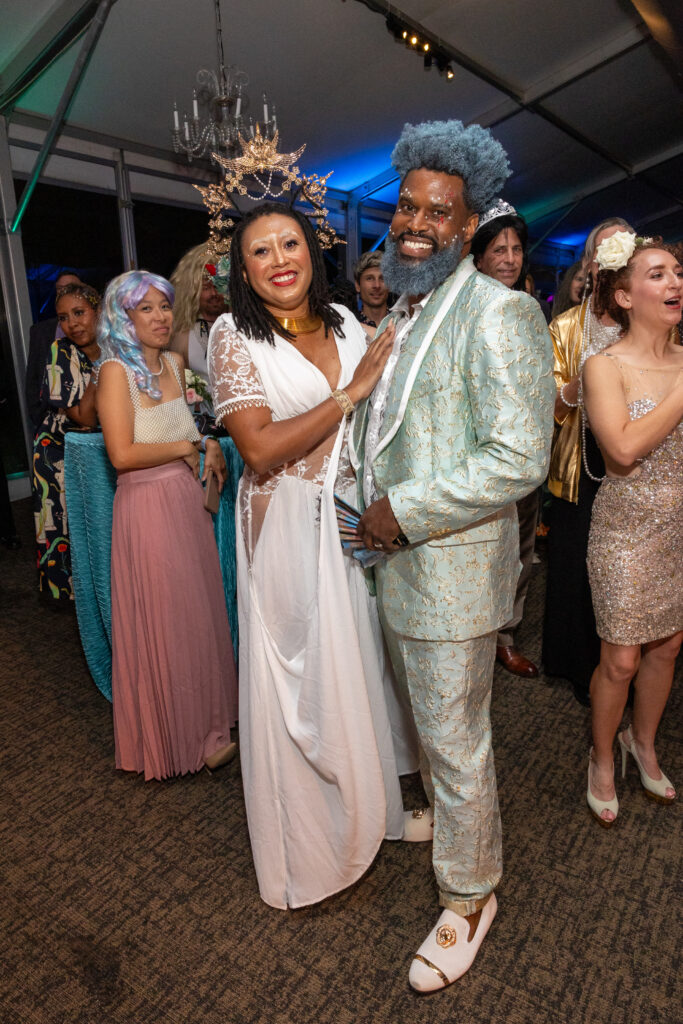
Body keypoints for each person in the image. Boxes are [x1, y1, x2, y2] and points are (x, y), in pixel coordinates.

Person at [352, 120, 554, 991]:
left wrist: (403, 509)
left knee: (457, 739)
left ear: (468, 227)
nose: (416, 222)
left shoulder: (499, 311)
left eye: (439, 211)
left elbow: (518, 456)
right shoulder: (408, 306)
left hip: (448, 566)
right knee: (440, 732)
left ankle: (470, 897)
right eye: (406, 205)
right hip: (401, 565)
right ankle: (450, 819)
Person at [207, 201, 415, 911]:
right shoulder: (232, 336)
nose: (279, 259)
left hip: (353, 519)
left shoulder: (345, 323)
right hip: (289, 520)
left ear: (310, 250)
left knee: (357, 658)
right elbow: (259, 447)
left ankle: (370, 807)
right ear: (242, 269)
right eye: (260, 251)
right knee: (303, 678)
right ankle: (314, 841)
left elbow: (378, 420)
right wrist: (348, 393)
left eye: (289, 242)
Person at [96, 271, 238, 781]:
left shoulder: (178, 366)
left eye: (163, 307)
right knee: (165, 617)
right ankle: (173, 737)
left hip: (186, 502)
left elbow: (192, 429)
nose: (159, 318)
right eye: (145, 309)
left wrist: (210, 442)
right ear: (123, 317)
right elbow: (122, 453)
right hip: (146, 507)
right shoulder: (114, 372)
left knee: (198, 614)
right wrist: (189, 447)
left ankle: (208, 728)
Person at [582, 234, 682, 825]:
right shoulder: (604, 365)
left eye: (676, 272)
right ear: (623, 294)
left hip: (677, 527)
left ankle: (641, 743)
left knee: (668, 646)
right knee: (620, 658)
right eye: (656, 274)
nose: (673, 282)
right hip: (624, 532)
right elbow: (620, 450)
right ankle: (600, 757)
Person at [542, 217, 634, 705]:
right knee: (577, 566)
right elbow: (546, 407)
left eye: (625, 246)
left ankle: (626, 664)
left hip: (636, 461)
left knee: (627, 568)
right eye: (606, 249)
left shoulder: (645, 321)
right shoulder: (563, 327)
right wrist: (580, 386)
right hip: (581, 461)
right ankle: (581, 668)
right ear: (590, 263)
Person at [471, 201, 542, 678]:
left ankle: (506, 635)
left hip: (523, 454)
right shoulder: (466, 309)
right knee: (481, 552)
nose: (510, 258)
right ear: (478, 257)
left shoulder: (529, 308)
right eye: (499, 249)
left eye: (516, 249)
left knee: (520, 550)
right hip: (478, 456)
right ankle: (475, 638)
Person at [32, 282, 100, 603]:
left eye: (79, 313)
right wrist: (103, 372)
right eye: (63, 317)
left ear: (98, 311)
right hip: (58, 452)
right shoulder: (61, 352)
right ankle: (70, 597)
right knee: (63, 527)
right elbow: (82, 417)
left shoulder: (115, 346)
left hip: (97, 451)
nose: (72, 324)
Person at [25, 268, 82, 430]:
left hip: (87, 420)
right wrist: (37, 414)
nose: (65, 293)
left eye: (71, 288)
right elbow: (33, 377)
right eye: (60, 289)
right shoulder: (39, 331)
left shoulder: (94, 331)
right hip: (50, 420)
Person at [169, 243, 228, 376]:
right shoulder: (182, 336)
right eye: (206, 288)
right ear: (192, 291)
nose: (214, 294)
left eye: (219, 286)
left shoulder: (242, 328)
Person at [353, 251, 390, 337]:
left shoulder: (402, 324)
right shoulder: (351, 326)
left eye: (382, 278)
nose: (377, 285)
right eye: (369, 278)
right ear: (358, 285)